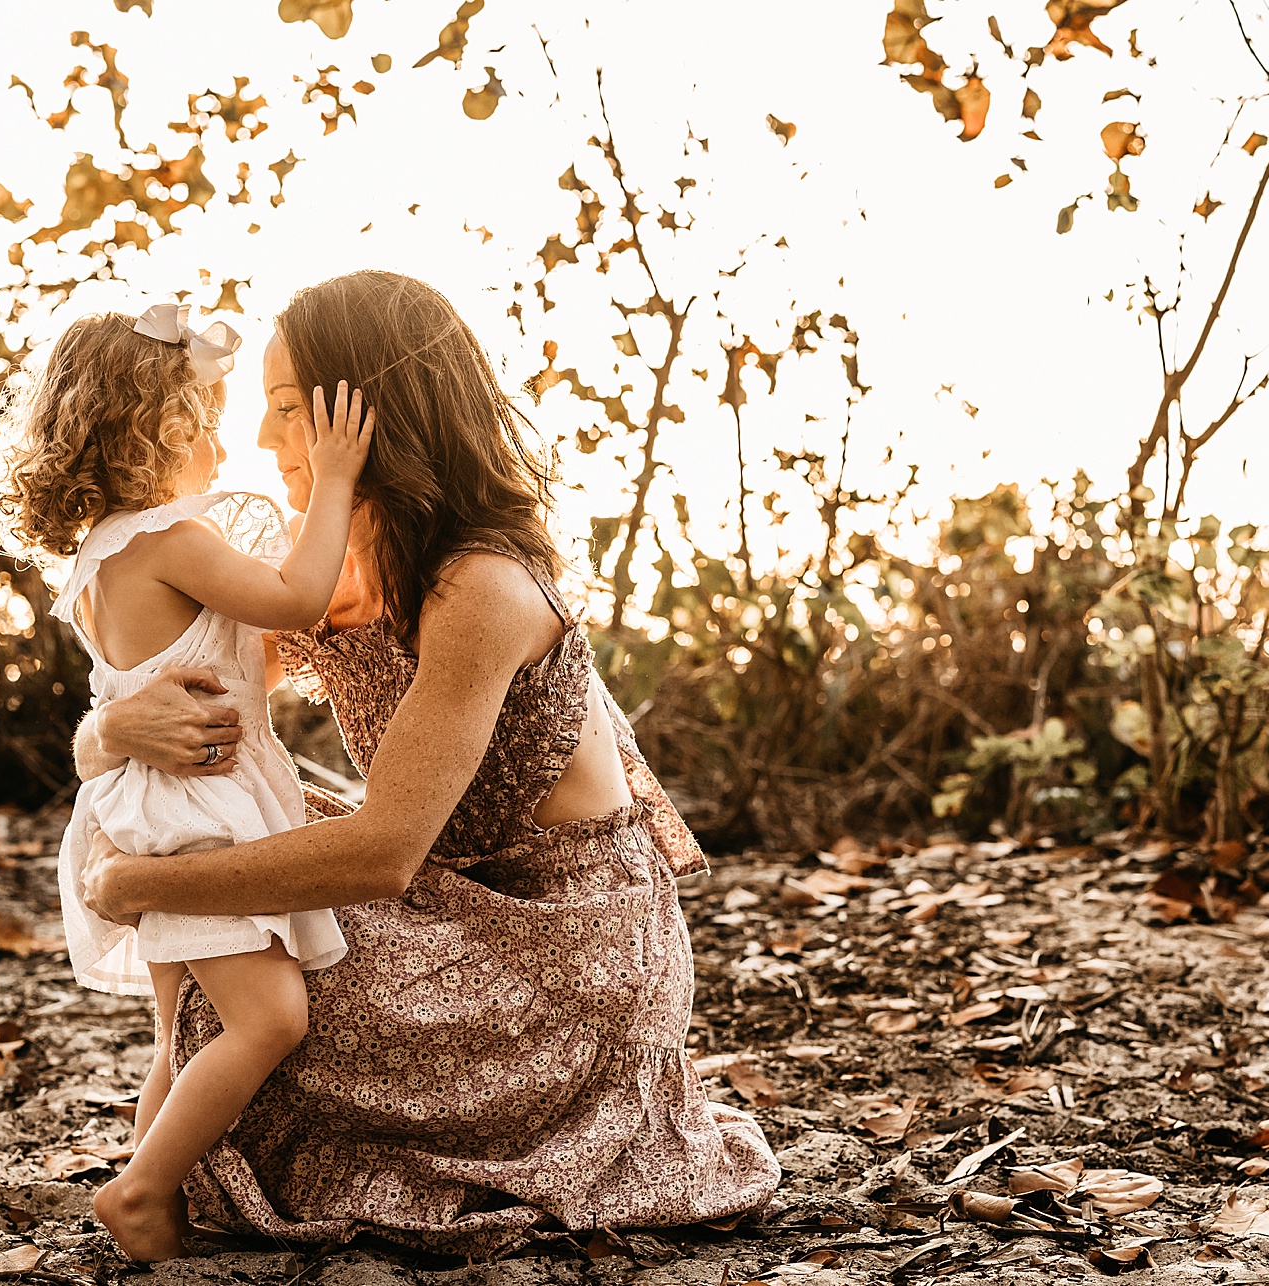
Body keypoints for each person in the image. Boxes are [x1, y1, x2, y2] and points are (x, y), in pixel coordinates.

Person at [74, 272, 780, 1257]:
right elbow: (183, 683)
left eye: (286, 413)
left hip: (566, 944)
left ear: (361, 421)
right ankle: (167, 1159)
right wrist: (111, 736)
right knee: (215, 838)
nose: (264, 443)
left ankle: (176, 1162)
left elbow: (381, 854)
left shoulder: (480, 585)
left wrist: (141, 881)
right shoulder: (335, 564)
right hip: (445, 893)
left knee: (246, 928)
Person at [0, 303, 374, 1261]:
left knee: (181, 1036)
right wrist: (338, 485)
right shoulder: (170, 540)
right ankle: (143, 1187)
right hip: (197, 817)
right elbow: (295, 599)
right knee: (272, 1016)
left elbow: (239, 659)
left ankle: (154, 1191)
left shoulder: (103, 555)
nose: (228, 441)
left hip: (148, 809)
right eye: (211, 416)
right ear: (160, 429)